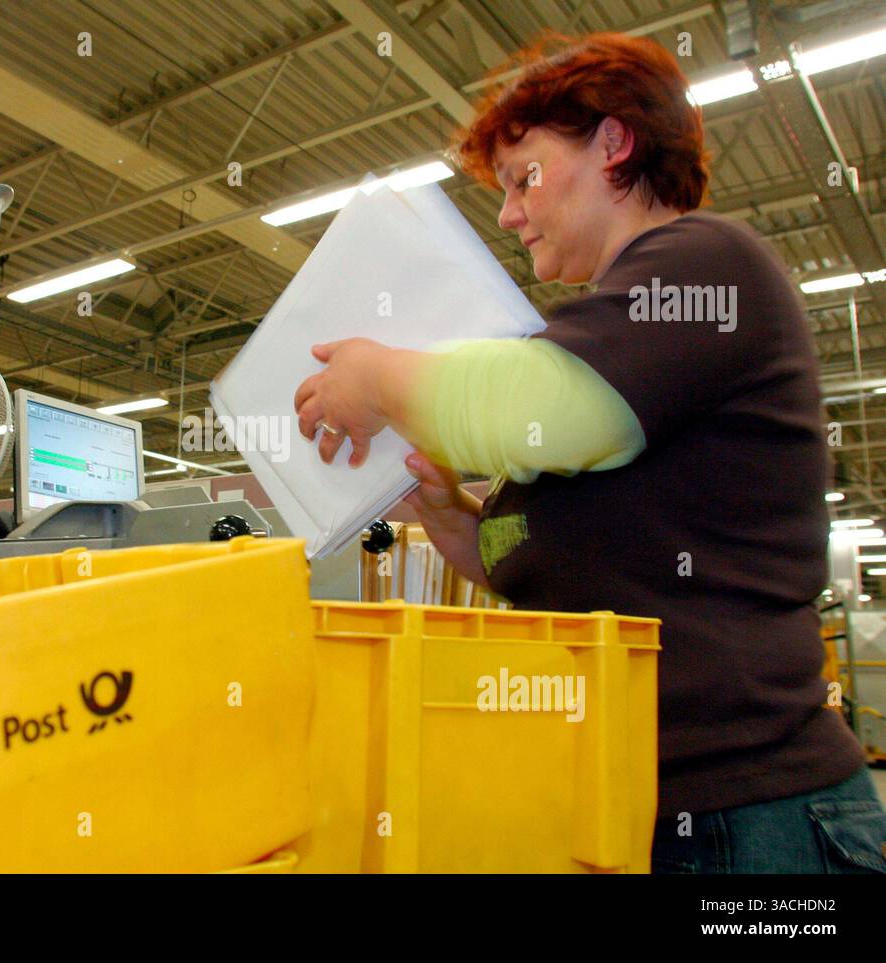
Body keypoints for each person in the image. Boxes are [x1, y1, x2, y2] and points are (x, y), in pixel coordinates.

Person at [292, 32, 886, 874]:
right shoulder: (618, 334)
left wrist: (379, 377)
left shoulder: (707, 267)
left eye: (524, 176)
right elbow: (547, 560)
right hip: (632, 808)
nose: (508, 213)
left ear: (615, 143)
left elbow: (550, 408)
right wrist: (456, 522)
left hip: (753, 820)